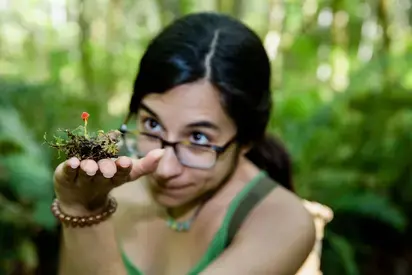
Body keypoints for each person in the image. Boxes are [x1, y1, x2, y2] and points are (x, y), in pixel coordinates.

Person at [53, 12, 316, 275]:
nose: (164, 169)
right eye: (152, 124)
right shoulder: (107, 186)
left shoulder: (282, 222)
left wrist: (85, 214)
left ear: (246, 139)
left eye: (198, 138)